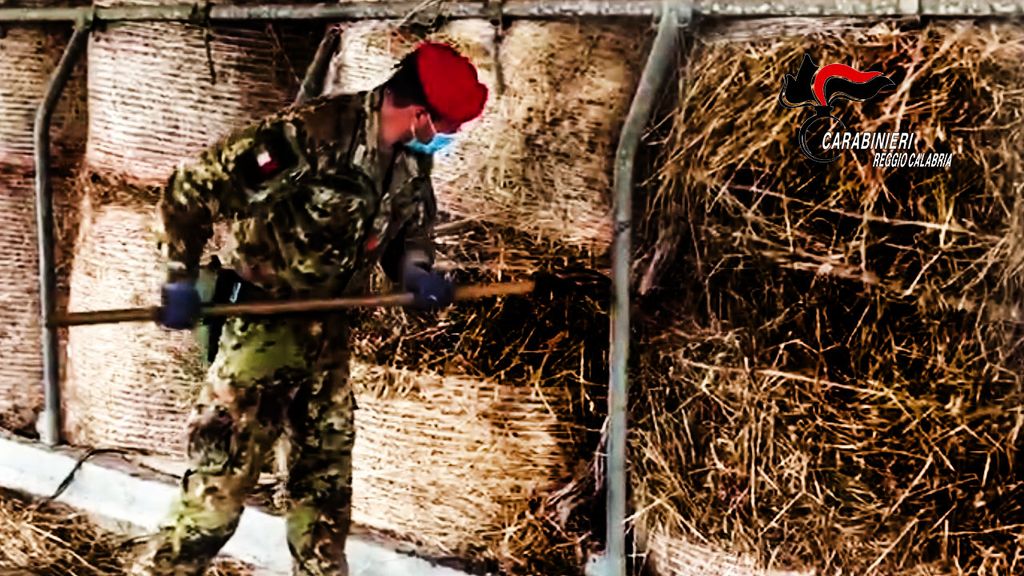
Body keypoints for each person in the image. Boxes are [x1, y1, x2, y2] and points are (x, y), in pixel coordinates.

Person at [130, 41, 489, 576]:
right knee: (216, 501)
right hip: (261, 335)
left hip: (328, 340)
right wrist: (178, 276)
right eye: (447, 127)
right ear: (418, 114)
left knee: (322, 496)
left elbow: (411, 231)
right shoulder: (311, 135)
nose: (448, 139)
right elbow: (192, 190)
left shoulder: (411, 160)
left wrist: (416, 273)